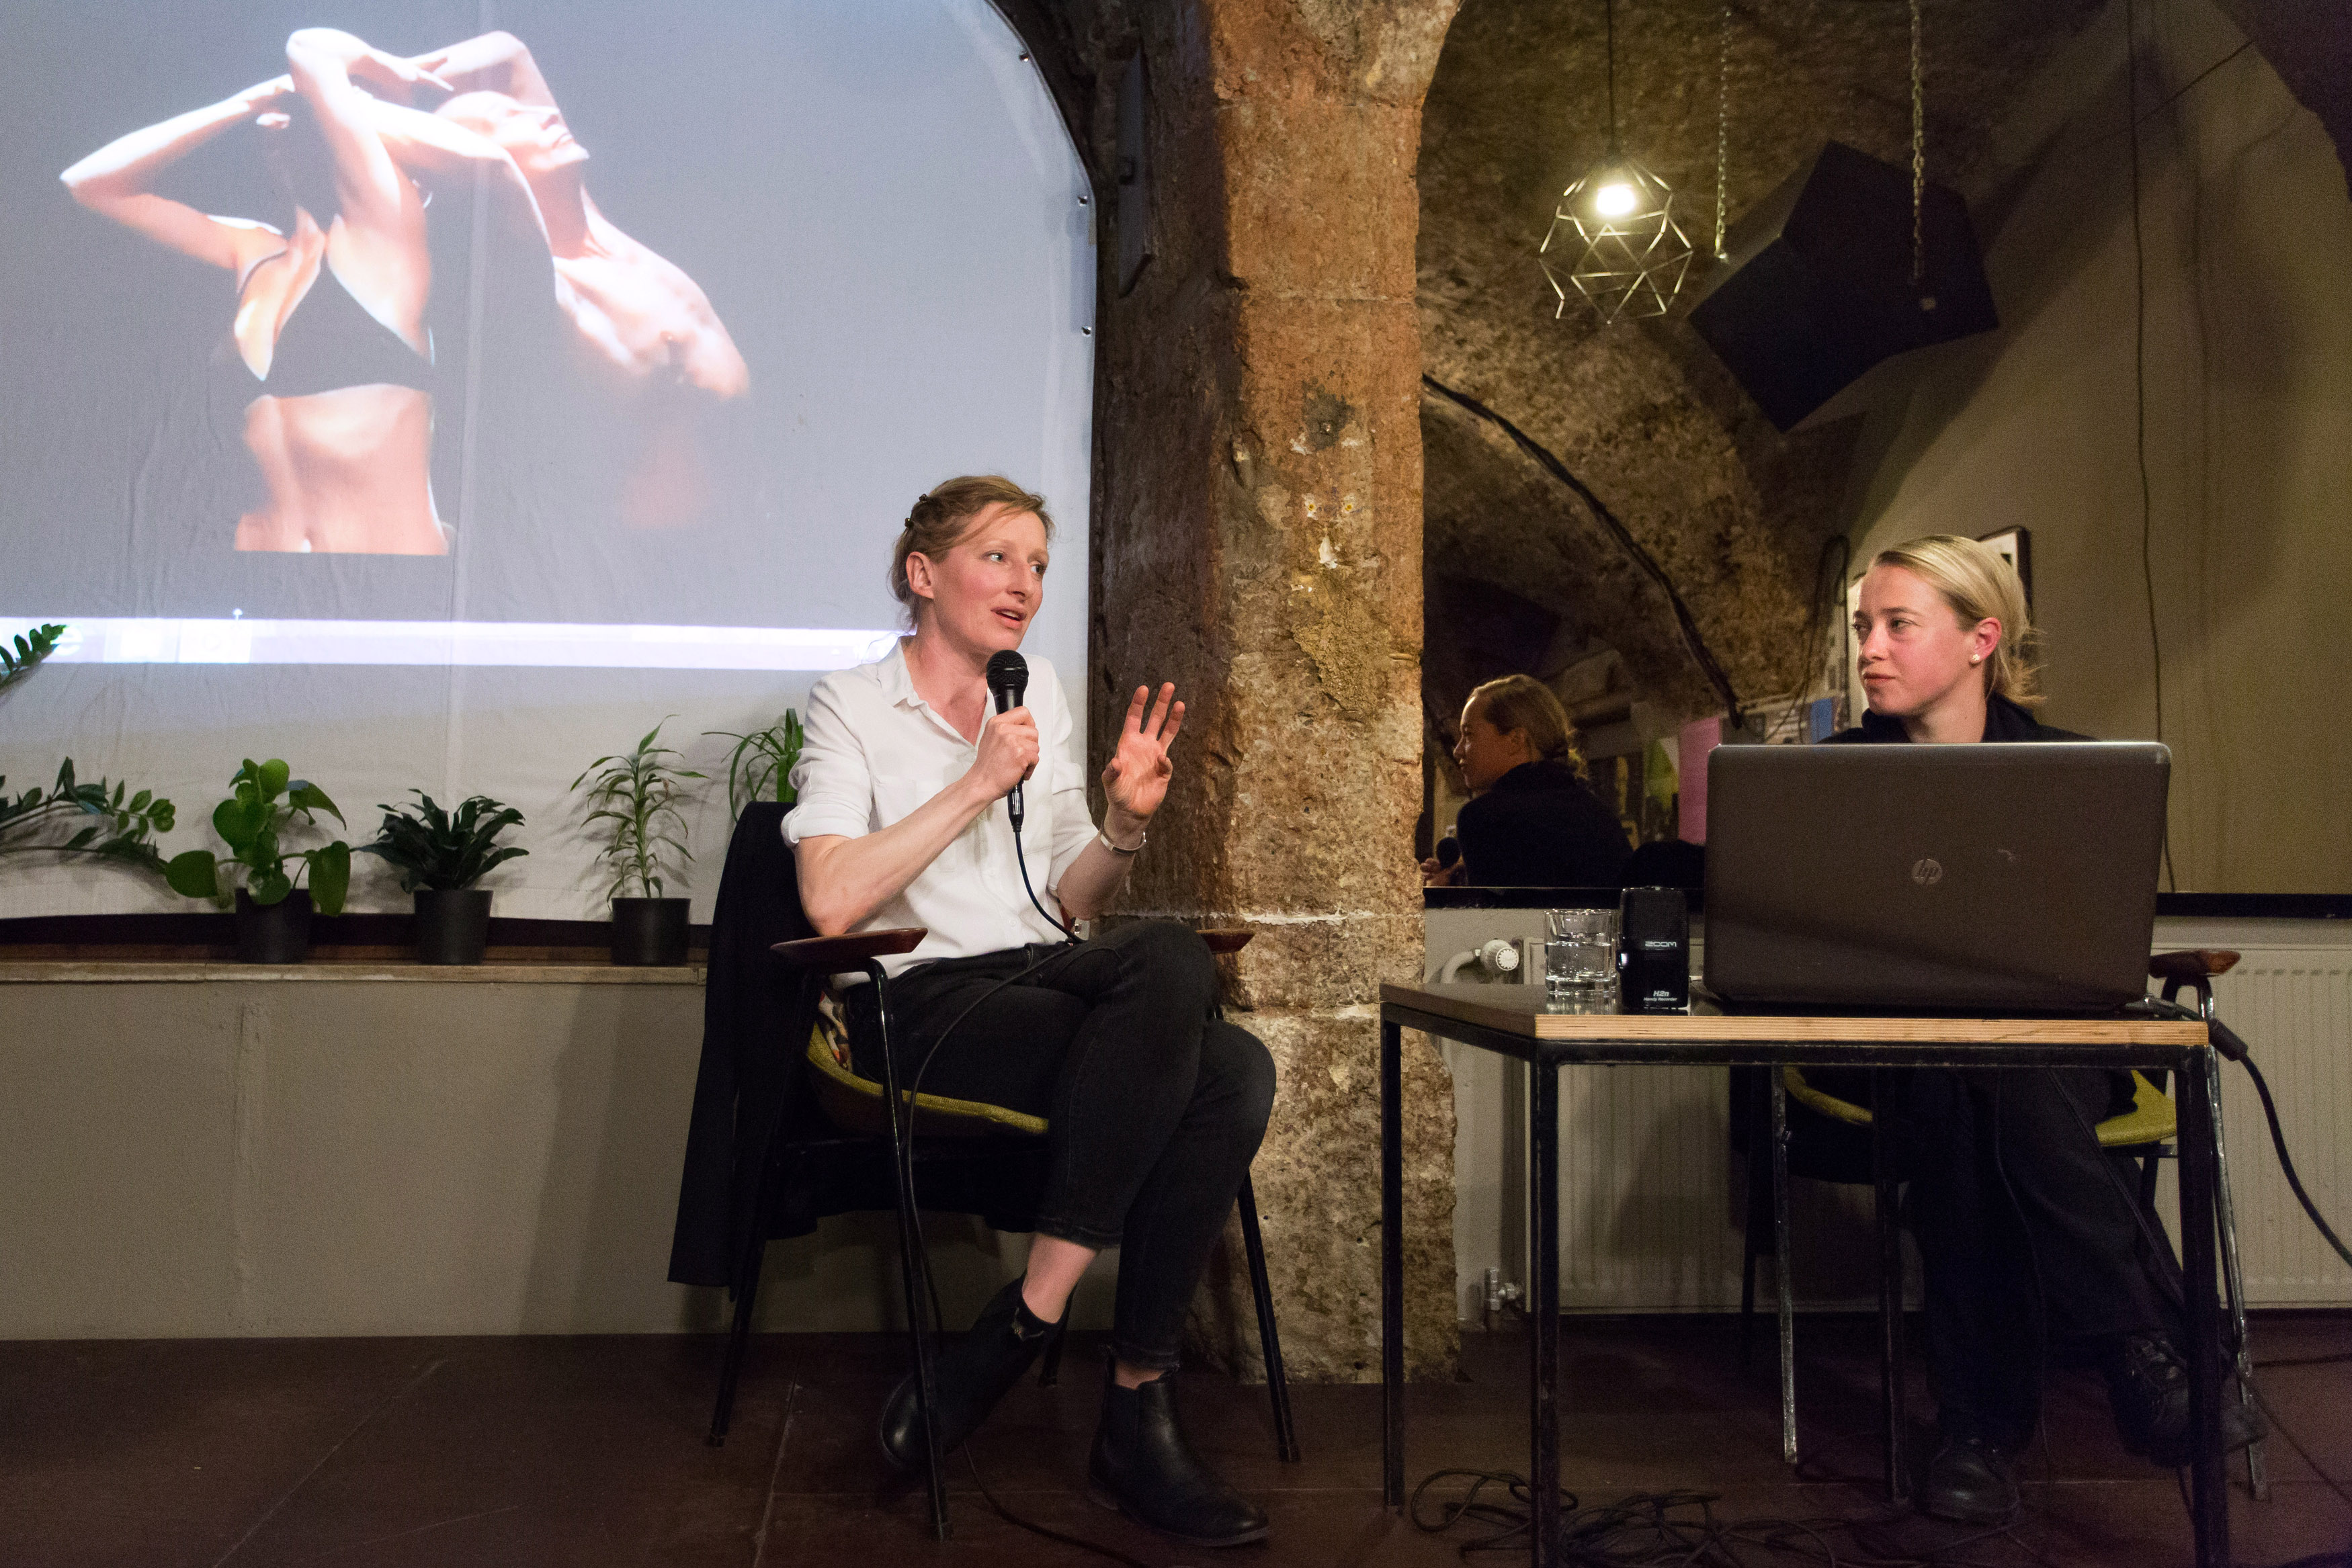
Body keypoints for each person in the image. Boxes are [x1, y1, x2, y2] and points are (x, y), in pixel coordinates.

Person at [785, 475, 1275, 1549]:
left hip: (1033, 979)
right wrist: (973, 781)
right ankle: (1116, 1399)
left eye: (1040, 565)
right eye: (999, 557)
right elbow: (829, 897)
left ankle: (1037, 1325)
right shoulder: (851, 702)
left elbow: (1066, 898)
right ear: (924, 573)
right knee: (1226, 1064)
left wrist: (1124, 824)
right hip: (913, 1002)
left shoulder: (1034, 691)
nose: (1025, 585)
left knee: (1208, 1018)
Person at [1824, 533, 2259, 1524]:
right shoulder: (1830, 777)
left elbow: (2095, 942)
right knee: (1969, 1079)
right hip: (1885, 1055)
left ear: (1980, 640)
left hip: (2050, 1057)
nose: (1870, 649)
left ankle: (1976, 1435)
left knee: (1984, 1092)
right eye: (1863, 627)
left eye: (1897, 625)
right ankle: (2147, 1352)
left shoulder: (2073, 771)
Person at [61, 30, 454, 554]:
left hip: (384, 577)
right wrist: (245, 102)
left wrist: (382, 71)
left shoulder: (386, 237)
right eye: (287, 112)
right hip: (258, 574)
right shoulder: (253, 251)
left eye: (316, 110)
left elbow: (310, 48)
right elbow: (90, 185)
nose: (287, 119)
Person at [1426, 674, 1630, 888]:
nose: (1458, 751)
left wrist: (1440, 894)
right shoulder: (1598, 812)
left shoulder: (1486, 818)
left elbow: (1496, 911)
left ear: (1516, 740)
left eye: (1468, 735)